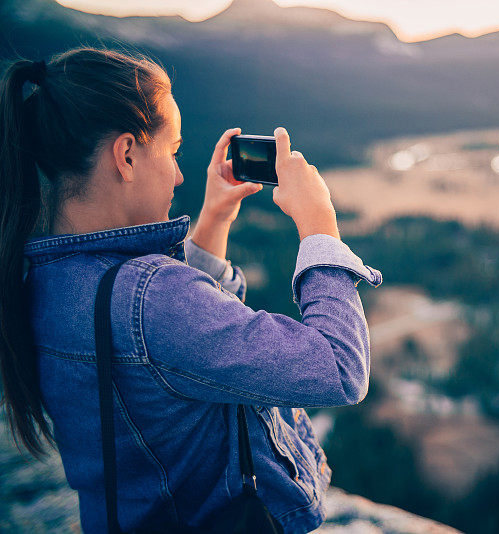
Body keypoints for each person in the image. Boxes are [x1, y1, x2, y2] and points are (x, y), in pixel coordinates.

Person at [0, 47, 382, 533]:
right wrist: (320, 227)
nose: (180, 174)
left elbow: (157, 347)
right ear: (127, 155)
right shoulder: (153, 298)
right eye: (173, 152)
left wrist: (215, 217)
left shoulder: (45, 279)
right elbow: (340, 368)